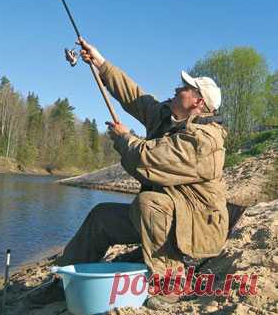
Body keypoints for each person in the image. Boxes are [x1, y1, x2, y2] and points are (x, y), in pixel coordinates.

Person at [29, 38, 229, 309]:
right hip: (168, 219)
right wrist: (100, 63)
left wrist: (125, 139)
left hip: (198, 228)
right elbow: (135, 96)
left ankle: (170, 282)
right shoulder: (166, 117)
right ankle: (63, 283)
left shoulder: (206, 141)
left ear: (198, 102)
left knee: (150, 203)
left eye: (184, 88)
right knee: (101, 216)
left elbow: (150, 159)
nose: (176, 88)